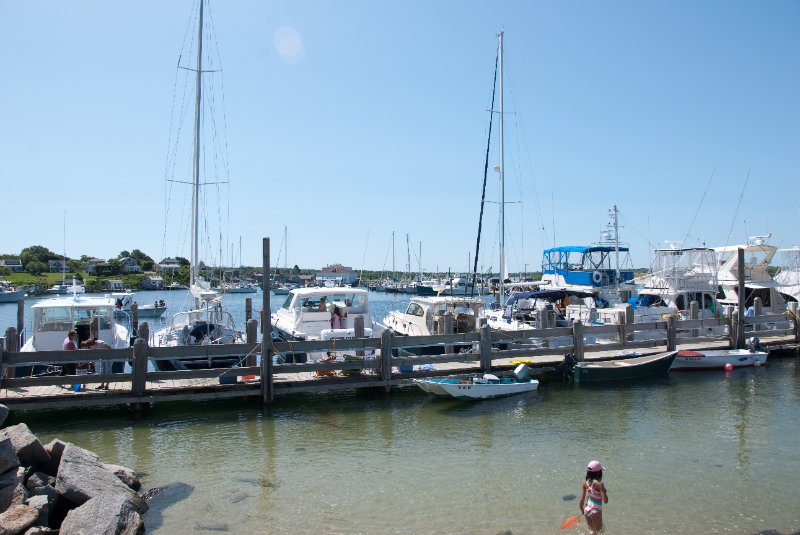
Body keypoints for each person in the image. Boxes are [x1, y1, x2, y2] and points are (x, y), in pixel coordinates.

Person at [579, 460, 609, 534]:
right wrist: (604, 491)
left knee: (591, 531)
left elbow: (582, 499)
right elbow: (605, 500)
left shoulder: (585, 482)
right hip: (595, 511)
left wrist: (582, 510)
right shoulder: (599, 485)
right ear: (599, 473)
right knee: (599, 531)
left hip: (586, 509)